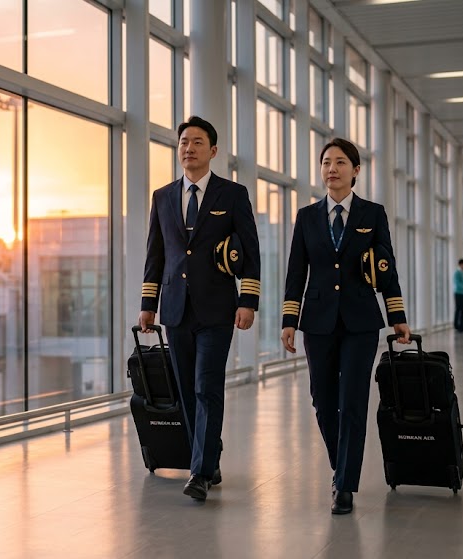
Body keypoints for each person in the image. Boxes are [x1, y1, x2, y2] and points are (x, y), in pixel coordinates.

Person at [279, 138, 410, 515]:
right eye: (325, 162)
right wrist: (290, 321)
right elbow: (295, 273)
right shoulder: (306, 217)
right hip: (317, 322)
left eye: (339, 162)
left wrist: (396, 316)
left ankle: (346, 484)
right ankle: (341, 464)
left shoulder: (373, 214)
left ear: (355, 170)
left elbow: (387, 268)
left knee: (353, 399)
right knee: (323, 400)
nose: (331, 168)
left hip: (360, 322)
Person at [139, 116, 261, 501]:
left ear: (213, 150)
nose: (188, 148)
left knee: (208, 387)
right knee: (187, 392)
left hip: (217, 309)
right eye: (183, 142)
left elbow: (252, 252)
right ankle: (208, 457)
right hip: (175, 309)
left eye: (196, 142)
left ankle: (201, 472)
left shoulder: (233, 194)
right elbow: (155, 255)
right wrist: (148, 305)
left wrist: (248, 301)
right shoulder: (162, 196)